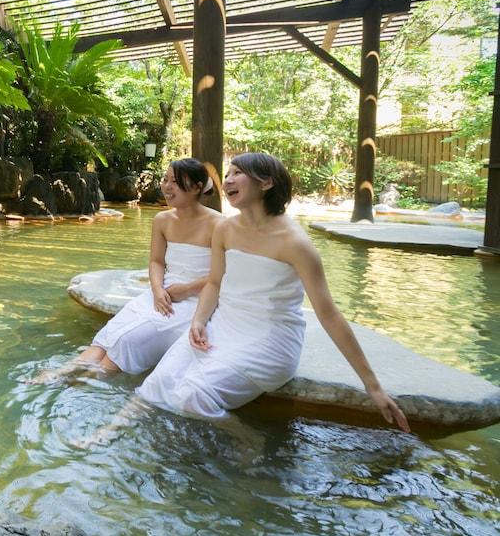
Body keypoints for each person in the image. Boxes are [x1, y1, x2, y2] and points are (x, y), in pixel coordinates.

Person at [135, 152, 410, 431]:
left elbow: (328, 315)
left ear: (266, 183)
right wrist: (198, 321)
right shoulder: (225, 229)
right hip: (223, 327)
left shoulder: (294, 243)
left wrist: (372, 386)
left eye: (237, 173)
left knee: (191, 397)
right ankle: (106, 437)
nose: (228, 180)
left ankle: (247, 439)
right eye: (227, 175)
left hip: (269, 341)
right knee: (157, 384)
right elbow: (215, 283)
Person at [35, 158, 222, 382]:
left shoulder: (219, 225)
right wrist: (157, 289)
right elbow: (156, 262)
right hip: (162, 292)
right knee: (112, 332)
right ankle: (62, 373)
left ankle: (80, 384)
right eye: (165, 179)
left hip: (198, 299)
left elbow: (224, 274)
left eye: (176, 181)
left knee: (129, 340)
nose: (167, 186)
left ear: (197, 187)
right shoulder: (162, 220)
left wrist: (185, 290)